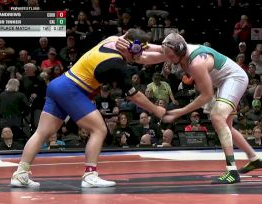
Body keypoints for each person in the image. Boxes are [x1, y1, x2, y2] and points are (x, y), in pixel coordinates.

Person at [10, 28, 166, 188]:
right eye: (137, 53)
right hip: (72, 89)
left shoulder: (111, 39)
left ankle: (20, 174)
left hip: (58, 84)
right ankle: (90, 175)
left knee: (41, 133)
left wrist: (164, 50)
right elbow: (134, 95)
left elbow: (145, 52)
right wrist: (155, 109)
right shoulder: (116, 64)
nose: (138, 58)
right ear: (130, 47)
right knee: (99, 129)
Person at [118, 32, 262, 184]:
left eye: (170, 56)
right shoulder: (175, 50)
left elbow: (207, 96)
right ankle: (254, 158)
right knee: (226, 126)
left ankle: (232, 172)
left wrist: (180, 112)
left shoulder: (196, 63)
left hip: (234, 79)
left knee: (216, 117)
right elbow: (151, 50)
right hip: (224, 82)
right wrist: (130, 47)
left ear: (179, 52)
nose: (167, 60)